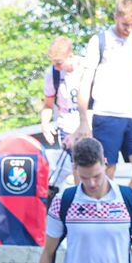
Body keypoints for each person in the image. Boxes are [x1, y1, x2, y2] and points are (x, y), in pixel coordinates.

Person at [75, 0, 132, 192]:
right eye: (125, 24)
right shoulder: (100, 40)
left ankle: (129, 207)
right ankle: (103, 210)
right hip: (106, 114)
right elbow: (85, 81)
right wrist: (84, 119)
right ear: (116, 16)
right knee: (107, 168)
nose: (128, 29)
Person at [41, 36, 84, 191]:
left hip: (88, 122)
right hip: (66, 124)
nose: (56, 67)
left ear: (70, 56)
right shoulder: (52, 74)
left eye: (59, 63)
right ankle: (80, 200)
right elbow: (48, 104)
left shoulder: (86, 68)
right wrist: (45, 124)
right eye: (54, 63)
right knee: (77, 164)